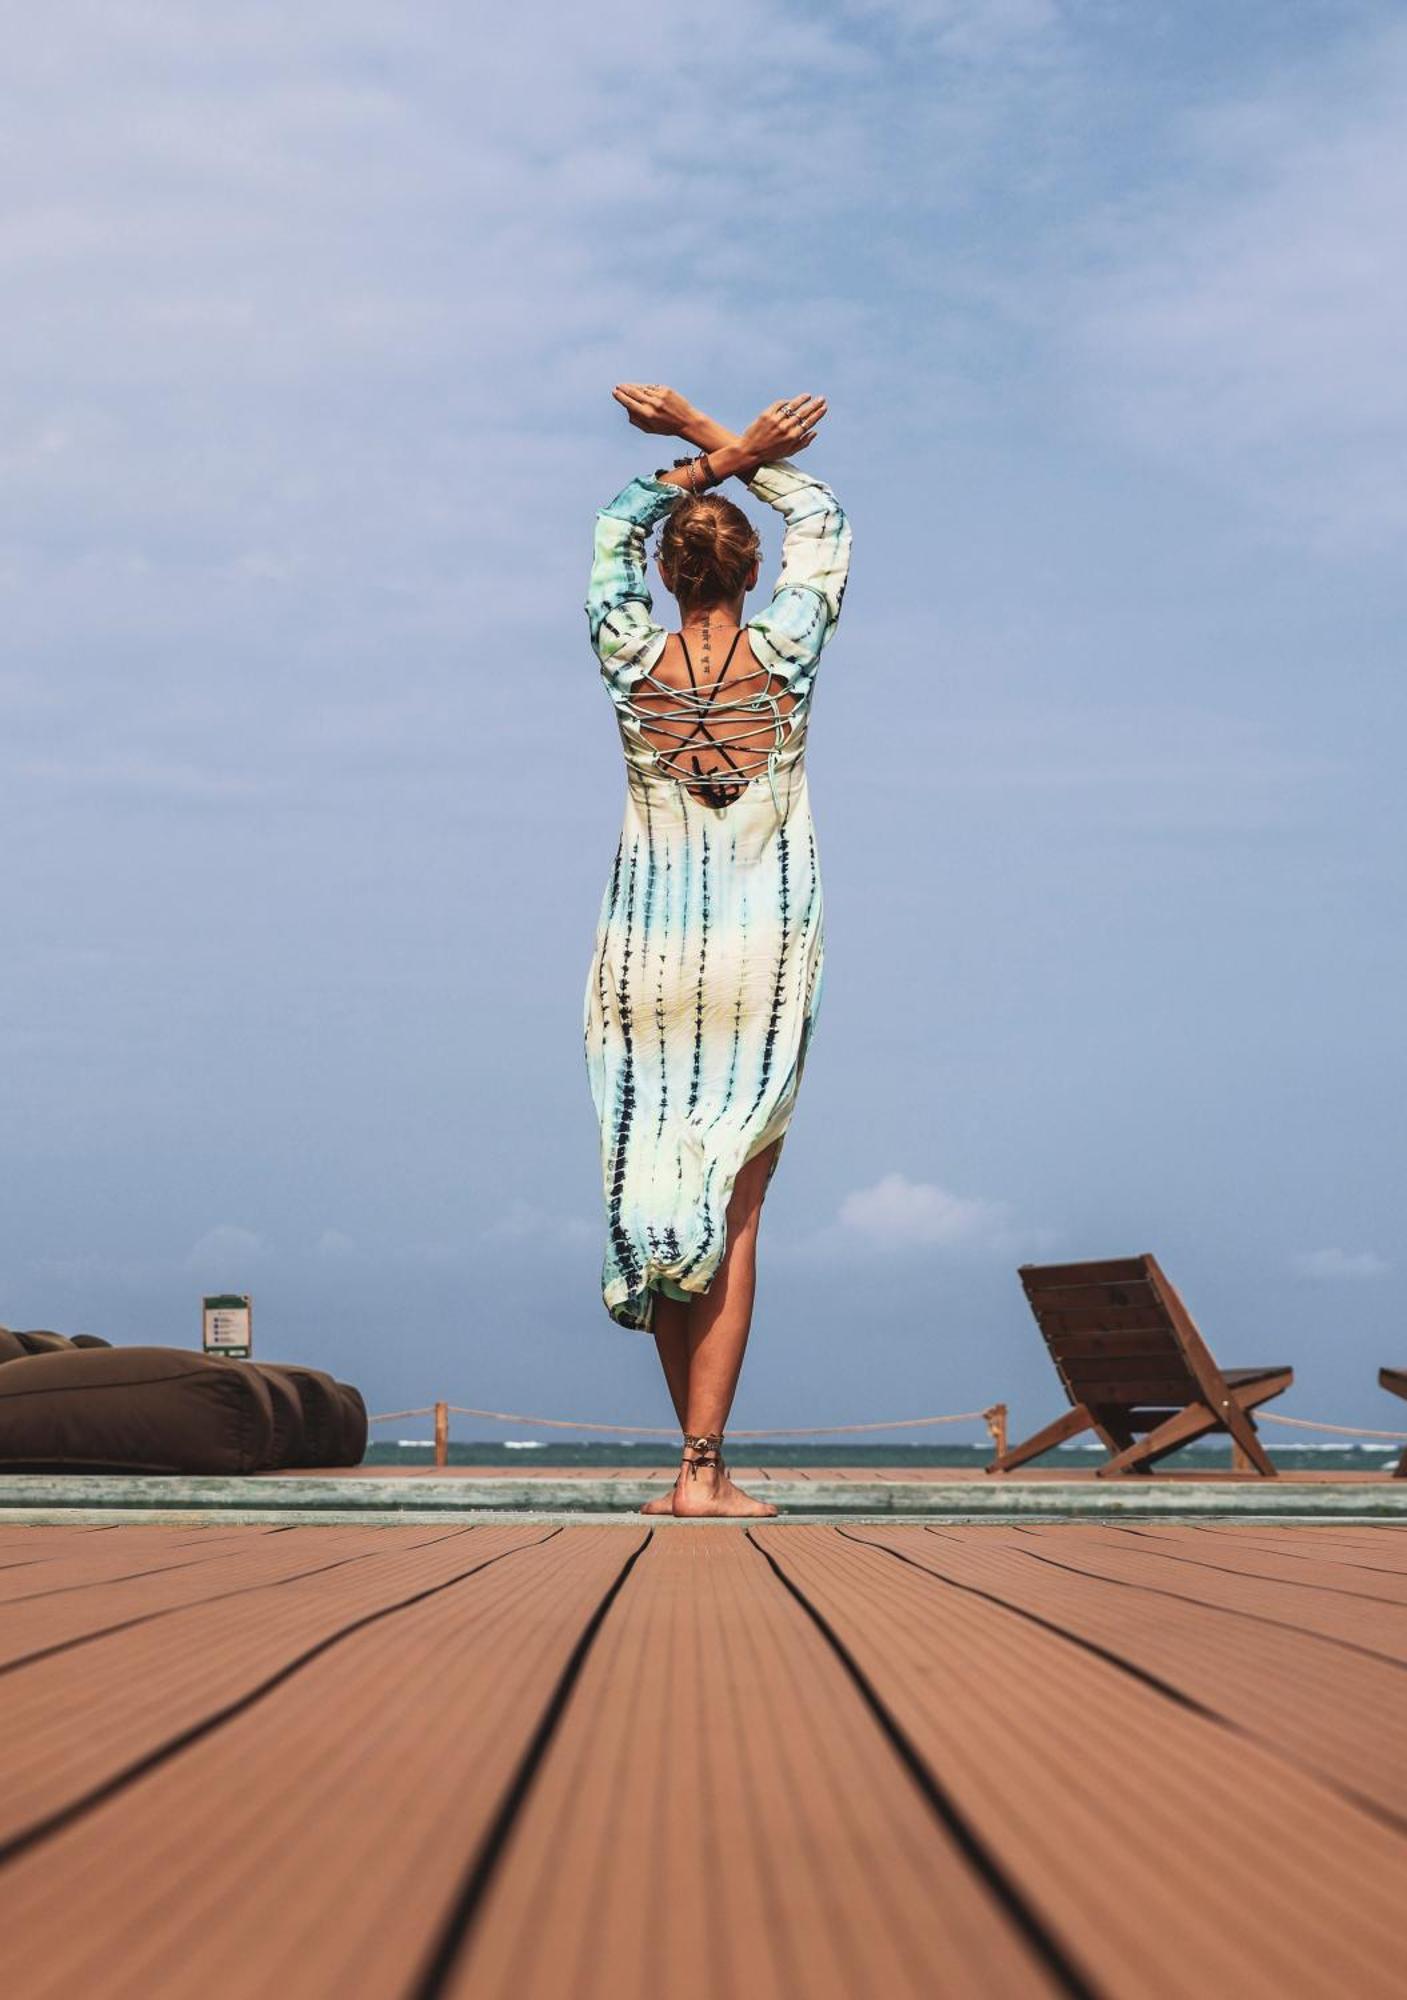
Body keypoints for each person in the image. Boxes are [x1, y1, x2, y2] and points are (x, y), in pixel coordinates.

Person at [584, 385, 851, 1518]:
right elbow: (824, 522)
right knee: (735, 1214)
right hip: (759, 954)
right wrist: (728, 442)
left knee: (660, 1199)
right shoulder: (786, 655)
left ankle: (684, 1469)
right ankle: (705, 1471)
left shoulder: (625, 655)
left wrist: (701, 451)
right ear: (748, 575)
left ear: (669, 575)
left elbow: (611, 526)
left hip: (644, 958)